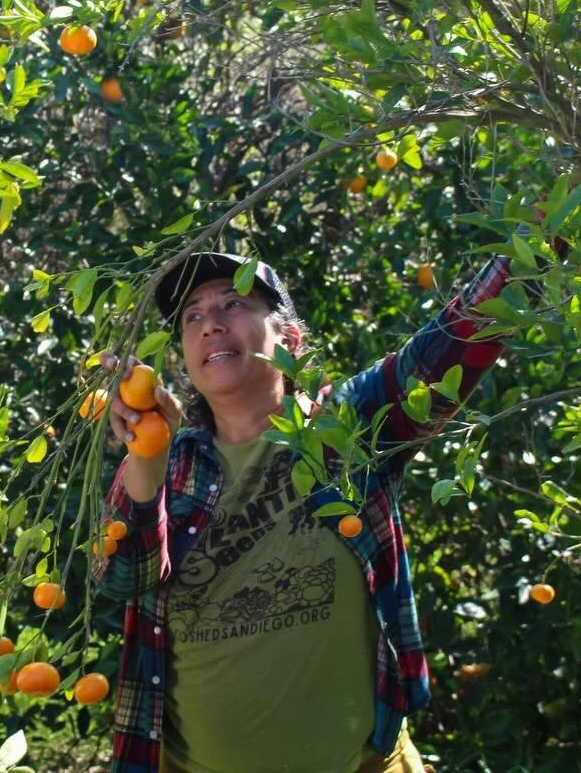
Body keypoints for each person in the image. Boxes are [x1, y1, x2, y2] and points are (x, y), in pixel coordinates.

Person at [94, 237, 557, 773]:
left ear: (288, 336)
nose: (209, 323)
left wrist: (546, 234)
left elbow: (459, 337)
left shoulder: (347, 429)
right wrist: (146, 456)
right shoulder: (171, 465)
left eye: (233, 303)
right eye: (192, 315)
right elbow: (119, 578)